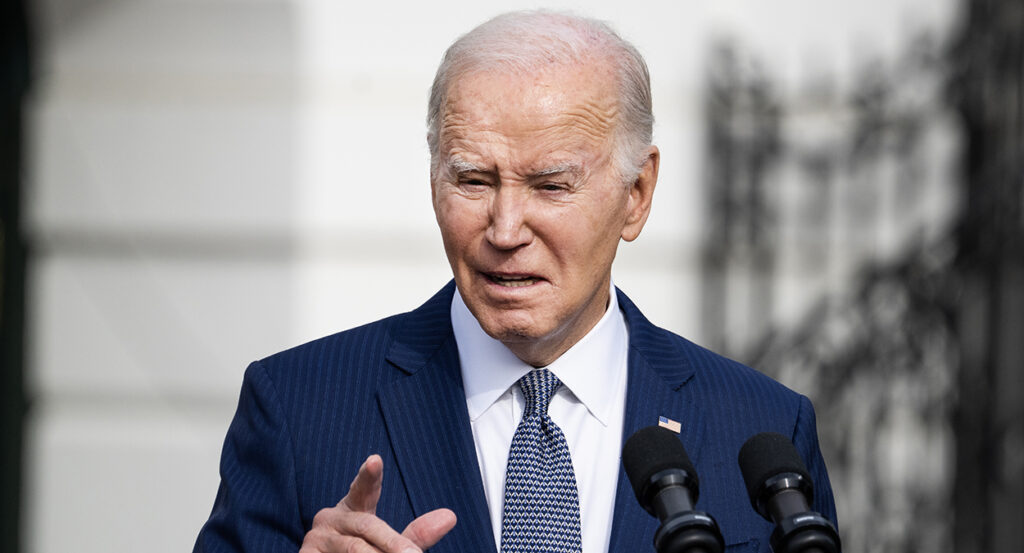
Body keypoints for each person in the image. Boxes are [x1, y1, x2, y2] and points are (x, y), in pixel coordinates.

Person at [193, 10, 836, 553]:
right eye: (473, 181)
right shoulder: (299, 408)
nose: (504, 229)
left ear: (636, 195)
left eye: (551, 186)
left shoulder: (762, 429)